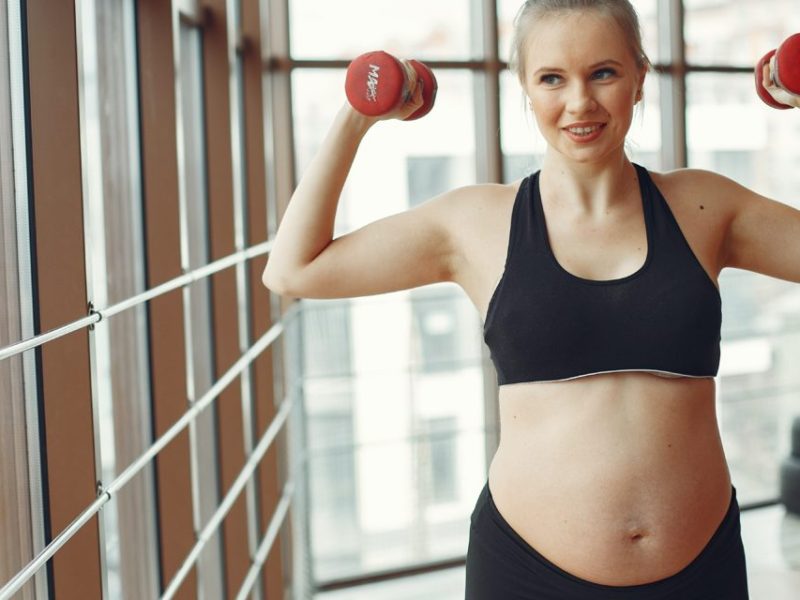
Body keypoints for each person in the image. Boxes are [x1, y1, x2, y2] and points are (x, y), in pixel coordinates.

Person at [263, 1, 800, 597]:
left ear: (640, 76)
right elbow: (294, 269)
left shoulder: (704, 207)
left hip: (701, 571)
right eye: (552, 78)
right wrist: (358, 115)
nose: (579, 103)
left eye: (603, 73)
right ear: (525, 86)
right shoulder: (474, 224)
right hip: (526, 574)